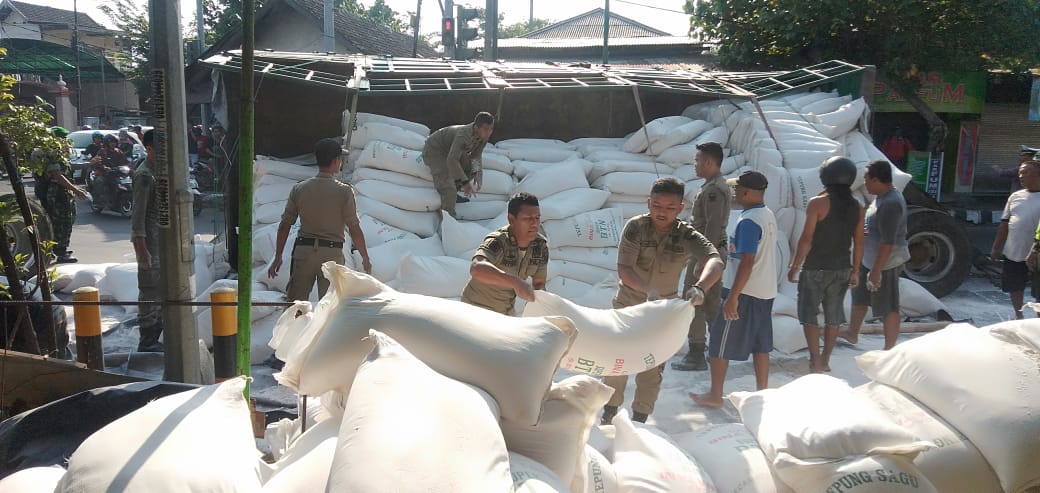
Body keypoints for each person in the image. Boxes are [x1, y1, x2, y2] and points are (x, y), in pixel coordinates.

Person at [602, 177, 725, 425]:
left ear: (681, 208)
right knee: (618, 364)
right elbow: (624, 268)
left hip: (663, 314)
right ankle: (609, 415)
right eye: (657, 206)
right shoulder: (636, 227)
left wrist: (700, 287)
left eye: (670, 208)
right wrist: (647, 290)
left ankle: (639, 420)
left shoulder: (687, 235)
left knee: (651, 368)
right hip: (628, 307)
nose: (662, 212)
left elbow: (715, 261)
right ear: (649, 203)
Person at [691, 170, 778, 408]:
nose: (734, 193)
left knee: (719, 341)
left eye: (738, 189)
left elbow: (747, 261)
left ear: (748, 193)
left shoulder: (748, 222)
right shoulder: (766, 214)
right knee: (761, 345)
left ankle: (715, 395)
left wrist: (733, 298)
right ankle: (763, 393)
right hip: (764, 291)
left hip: (745, 293)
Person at [268, 138, 371, 302]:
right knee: (331, 307)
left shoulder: (299, 188)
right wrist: (365, 258)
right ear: (336, 161)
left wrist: (278, 257)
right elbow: (354, 228)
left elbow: (284, 225)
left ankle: (294, 327)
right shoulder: (344, 192)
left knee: (296, 306)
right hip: (332, 254)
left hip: (304, 251)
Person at [787, 157, 864, 373]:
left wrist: (795, 266)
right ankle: (826, 359)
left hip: (815, 269)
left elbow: (806, 239)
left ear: (825, 177)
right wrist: (856, 270)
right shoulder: (858, 207)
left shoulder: (817, 203)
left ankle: (815, 360)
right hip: (842, 269)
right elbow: (859, 241)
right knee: (834, 317)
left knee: (809, 315)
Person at [673, 141, 731, 372]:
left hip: (706, 254)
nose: (695, 164)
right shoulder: (712, 186)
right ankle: (718, 349)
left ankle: (697, 353)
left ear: (708, 162)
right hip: (710, 253)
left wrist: (702, 260)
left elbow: (713, 227)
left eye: (698, 160)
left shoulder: (714, 190)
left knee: (695, 301)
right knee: (711, 304)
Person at [840, 161, 910, 350]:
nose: (865, 184)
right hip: (869, 259)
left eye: (867, 180)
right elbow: (870, 226)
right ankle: (852, 333)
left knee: (888, 305)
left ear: (878, 180)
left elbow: (888, 241)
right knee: (860, 296)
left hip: (886, 262)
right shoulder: (880, 197)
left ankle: (890, 347)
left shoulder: (891, 203)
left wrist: (877, 270)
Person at [461, 192, 548, 315]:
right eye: (528, 219)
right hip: (475, 309)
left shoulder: (540, 247)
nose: (534, 224)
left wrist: (538, 298)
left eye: (537, 218)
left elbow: (539, 283)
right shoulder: (499, 241)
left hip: (504, 312)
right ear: (511, 219)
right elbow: (477, 268)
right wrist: (516, 282)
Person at [991, 159, 1040, 319]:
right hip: (1015, 250)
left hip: (1037, 253)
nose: (1021, 176)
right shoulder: (1015, 196)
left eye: (1025, 172)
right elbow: (1004, 224)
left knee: (1038, 290)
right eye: (1020, 172)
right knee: (1014, 284)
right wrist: (996, 247)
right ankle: (1018, 316)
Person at [422, 112, 493, 217]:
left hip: (451, 152)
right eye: (486, 129)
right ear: (477, 127)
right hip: (435, 150)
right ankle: (449, 218)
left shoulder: (483, 136)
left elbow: (476, 155)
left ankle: (453, 195)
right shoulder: (463, 135)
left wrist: (478, 172)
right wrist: (465, 183)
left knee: (471, 169)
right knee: (448, 184)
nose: (489, 132)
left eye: (491, 129)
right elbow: (452, 160)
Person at [130, 130, 164, 352]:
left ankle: (156, 335)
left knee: (160, 290)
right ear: (149, 149)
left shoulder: (157, 171)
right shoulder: (144, 176)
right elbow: (138, 217)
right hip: (149, 243)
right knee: (150, 290)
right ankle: (147, 340)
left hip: (159, 243)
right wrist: (142, 249)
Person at [34, 126, 88, 263]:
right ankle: (60, 252)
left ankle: (51, 250)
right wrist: (76, 189)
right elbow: (57, 176)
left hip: (60, 192)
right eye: (63, 139)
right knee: (60, 222)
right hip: (56, 194)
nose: (66, 142)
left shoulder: (57, 153)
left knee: (58, 221)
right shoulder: (51, 154)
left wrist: (88, 164)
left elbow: (68, 167)